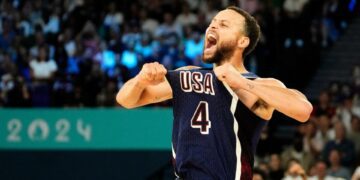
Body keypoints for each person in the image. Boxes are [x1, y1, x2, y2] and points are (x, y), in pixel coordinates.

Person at [116, 6, 313, 179]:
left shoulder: (255, 85)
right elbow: (125, 100)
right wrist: (140, 80)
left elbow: (303, 110)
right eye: (212, 22)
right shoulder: (188, 75)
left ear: (242, 41)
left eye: (224, 25)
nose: (212, 27)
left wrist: (242, 82)